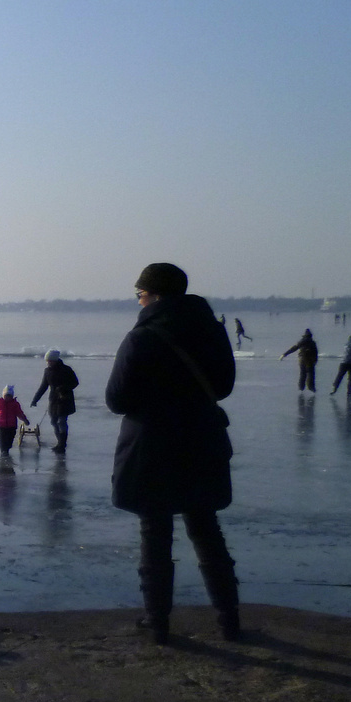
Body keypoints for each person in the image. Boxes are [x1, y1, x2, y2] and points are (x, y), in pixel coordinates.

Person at [107, 262, 240, 645]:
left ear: (154, 295)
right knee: (206, 531)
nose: (138, 301)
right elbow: (224, 385)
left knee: (155, 532)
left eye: (140, 295)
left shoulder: (143, 337)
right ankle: (229, 620)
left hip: (153, 447)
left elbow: (116, 399)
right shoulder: (212, 330)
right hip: (202, 440)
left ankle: (157, 623)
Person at [31, 350, 79, 453]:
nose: (48, 363)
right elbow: (43, 386)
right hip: (53, 400)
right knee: (53, 421)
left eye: (50, 361)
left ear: (56, 360)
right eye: (47, 361)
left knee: (61, 421)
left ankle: (62, 445)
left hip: (65, 399)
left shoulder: (66, 369)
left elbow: (75, 383)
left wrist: (63, 388)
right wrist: (35, 399)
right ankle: (59, 442)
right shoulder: (47, 371)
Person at [0, 386, 28, 455]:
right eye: (6, 396)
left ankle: (7, 449)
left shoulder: (15, 404)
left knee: (9, 441)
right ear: (3, 395)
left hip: (12, 426)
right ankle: (4, 452)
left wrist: (24, 419)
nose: (7, 398)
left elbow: (19, 413)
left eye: (9, 396)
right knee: (2, 443)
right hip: (1, 425)